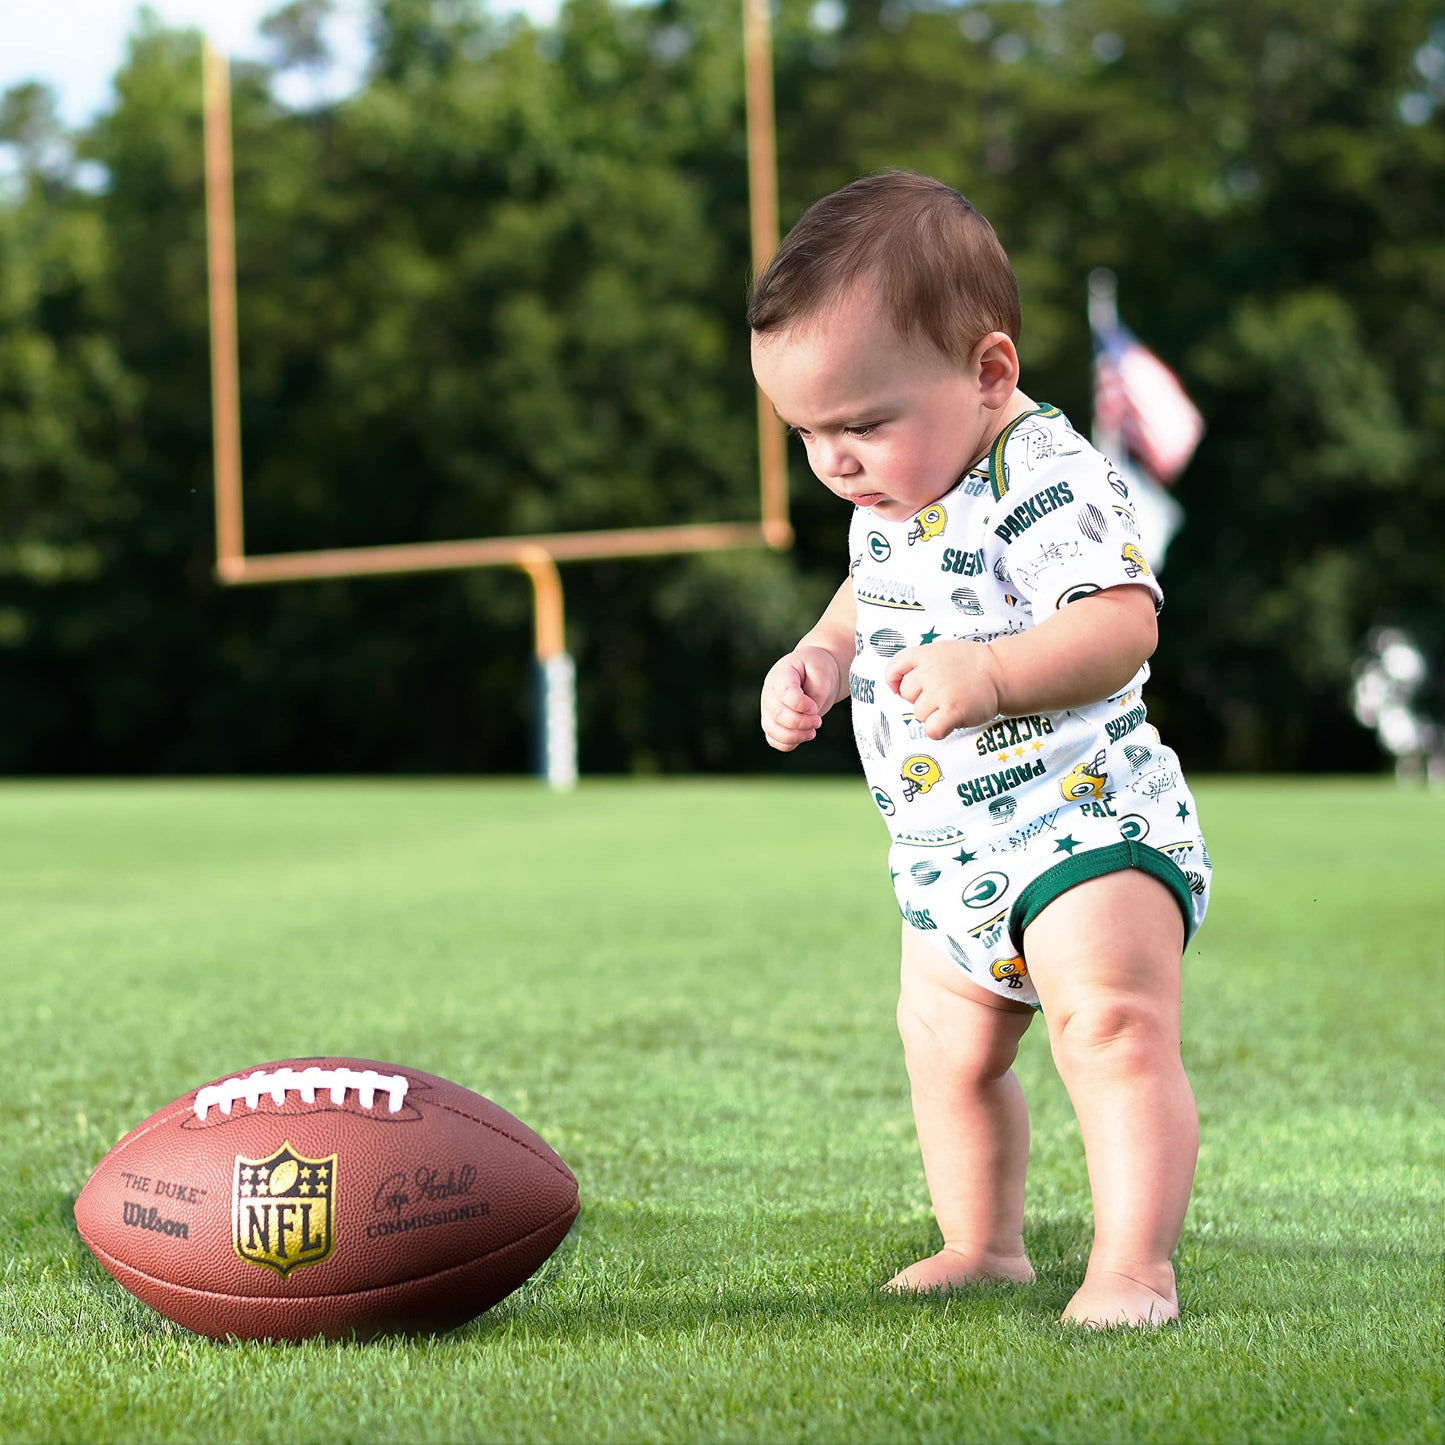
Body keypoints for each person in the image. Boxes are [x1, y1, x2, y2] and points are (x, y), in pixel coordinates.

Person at [751, 171, 1210, 1329]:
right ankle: (982, 1241)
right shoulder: (893, 499)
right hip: (947, 847)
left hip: (1082, 820)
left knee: (1108, 1028)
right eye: (805, 433)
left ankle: (1131, 1266)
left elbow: (1121, 620)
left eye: (860, 424)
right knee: (946, 1049)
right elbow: (868, 591)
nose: (835, 462)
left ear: (987, 372)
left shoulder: (1040, 477)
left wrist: (994, 671)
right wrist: (815, 655)